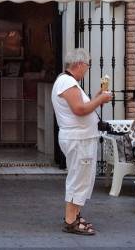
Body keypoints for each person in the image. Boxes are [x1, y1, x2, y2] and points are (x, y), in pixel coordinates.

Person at [52, 48, 112, 236]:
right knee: (79, 178)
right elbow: (79, 109)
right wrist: (100, 99)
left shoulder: (68, 83)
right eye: (87, 65)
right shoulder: (67, 82)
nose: (87, 69)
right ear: (79, 64)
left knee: (83, 177)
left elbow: (82, 108)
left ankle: (75, 215)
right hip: (78, 140)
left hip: (81, 138)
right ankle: (71, 220)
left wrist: (96, 99)